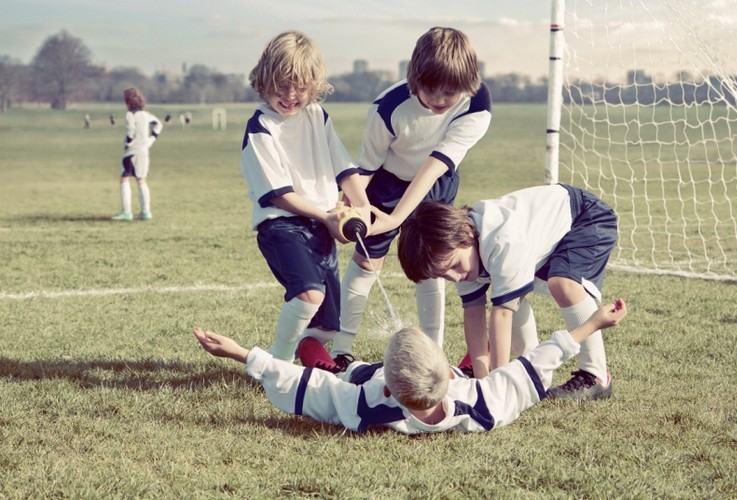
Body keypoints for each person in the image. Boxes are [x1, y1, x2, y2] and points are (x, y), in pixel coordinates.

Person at [193, 298, 627, 434]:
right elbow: (538, 361)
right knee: (492, 363)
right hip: (458, 380)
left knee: (326, 367)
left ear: (388, 386)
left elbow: (298, 379)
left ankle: (333, 357)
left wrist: (240, 353)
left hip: (356, 375)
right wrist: (593, 322)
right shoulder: (481, 406)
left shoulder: (365, 402)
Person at [331, 27, 492, 365]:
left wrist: (397, 218)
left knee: (435, 262)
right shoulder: (388, 108)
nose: (439, 99)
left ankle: (432, 352)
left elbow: (435, 166)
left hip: (436, 181)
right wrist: (347, 204)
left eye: (449, 91)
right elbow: (367, 166)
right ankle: (341, 349)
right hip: (386, 181)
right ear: (414, 77)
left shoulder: (477, 103)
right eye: (429, 88)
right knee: (366, 262)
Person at [397, 183, 619, 401]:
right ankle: (533, 374)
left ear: (466, 232)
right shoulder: (460, 250)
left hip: (584, 217)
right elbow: (473, 313)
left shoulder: (503, 242)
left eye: (454, 266)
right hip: (541, 235)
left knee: (563, 284)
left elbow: (502, 315)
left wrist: (497, 385)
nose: (454, 278)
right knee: (509, 295)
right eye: (444, 275)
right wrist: (483, 381)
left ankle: (596, 376)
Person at [240, 30, 372, 363]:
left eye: (300, 87)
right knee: (309, 294)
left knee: (329, 326)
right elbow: (280, 195)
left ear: (312, 86)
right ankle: (276, 365)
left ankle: (309, 359)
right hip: (282, 226)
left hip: (321, 226)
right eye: (281, 86)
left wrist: (364, 208)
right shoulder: (261, 127)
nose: (289, 95)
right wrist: (326, 216)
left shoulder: (317, 116)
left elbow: (345, 170)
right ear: (264, 79)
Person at [111, 87, 163, 221]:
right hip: (144, 151)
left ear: (128, 101)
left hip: (132, 152)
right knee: (141, 180)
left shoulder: (130, 114)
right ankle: (146, 212)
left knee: (124, 179)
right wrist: (151, 139)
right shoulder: (146, 115)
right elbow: (159, 124)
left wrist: (128, 141)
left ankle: (127, 213)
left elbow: (131, 129)